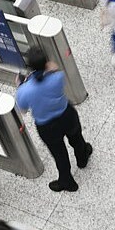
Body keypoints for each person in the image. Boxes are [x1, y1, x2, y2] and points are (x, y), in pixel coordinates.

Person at [14, 46, 92, 192]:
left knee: (59, 154)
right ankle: (82, 158)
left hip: (47, 126)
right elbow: (54, 68)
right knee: (76, 137)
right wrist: (47, 67)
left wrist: (20, 86)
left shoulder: (24, 90)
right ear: (46, 63)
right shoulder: (58, 77)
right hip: (67, 115)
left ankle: (67, 181)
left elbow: (23, 110)